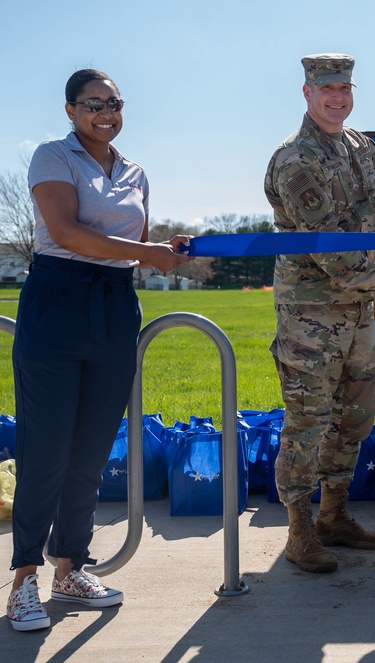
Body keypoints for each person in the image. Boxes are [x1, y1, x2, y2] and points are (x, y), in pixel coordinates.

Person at [6, 69, 192, 632]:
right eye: (93, 104)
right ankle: (22, 581)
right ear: (70, 110)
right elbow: (65, 232)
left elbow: (134, 247)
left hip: (114, 303)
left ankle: (71, 568)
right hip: (57, 299)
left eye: (114, 103)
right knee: (45, 451)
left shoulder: (134, 171)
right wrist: (148, 252)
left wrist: (164, 252)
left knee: (90, 449)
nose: (105, 112)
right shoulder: (53, 157)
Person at [264, 53, 375, 573]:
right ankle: (298, 533)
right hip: (311, 314)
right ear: (307, 93)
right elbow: (331, 251)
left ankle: (334, 517)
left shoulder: (356, 143)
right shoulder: (296, 161)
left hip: (355, 314)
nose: (338, 98)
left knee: (353, 418)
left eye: (345, 88)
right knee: (308, 422)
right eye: (327, 90)